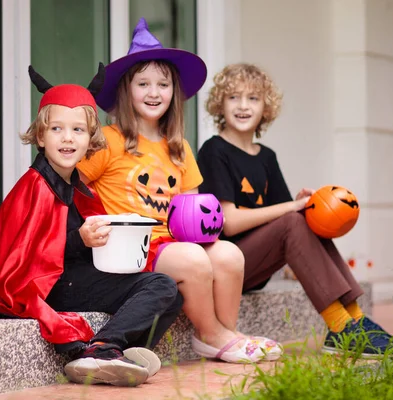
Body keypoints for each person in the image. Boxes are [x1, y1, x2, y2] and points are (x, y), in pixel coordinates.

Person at [77, 18, 281, 364]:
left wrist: (208, 234)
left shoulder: (179, 148)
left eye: (163, 84)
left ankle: (223, 334)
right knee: (193, 258)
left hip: (172, 241)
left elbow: (196, 209)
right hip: (133, 246)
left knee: (229, 255)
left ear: (174, 93)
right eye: (143, 84)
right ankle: (212, 333)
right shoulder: (109, 141)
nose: (154, 93)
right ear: (127, 90)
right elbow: (74, 190)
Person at [0, 64, 185, 387]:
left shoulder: (77, 188)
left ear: (91, 139)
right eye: (57, 129)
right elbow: (26, 258)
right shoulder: (35, 186)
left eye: (78, 130)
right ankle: (102, 348)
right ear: (41, 135)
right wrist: (80, 239)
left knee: (172, 294)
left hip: (74, 279)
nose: (68, 138)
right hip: (48, 288)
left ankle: (120, 353)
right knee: (161, 286)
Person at [197, 62, 393, 357]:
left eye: (253, 98)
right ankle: (339, 327)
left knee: (308, 215)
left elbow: (289, 216)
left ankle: (356, 319)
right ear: (220, 104)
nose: (243, 106)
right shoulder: (214, 150)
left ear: (265, 108)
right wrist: (291, 207)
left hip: (257, 265)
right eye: (234, 97)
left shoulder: (266, 156)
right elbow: (229, 222)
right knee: (295, 218)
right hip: (229, 268)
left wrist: (300, 205)